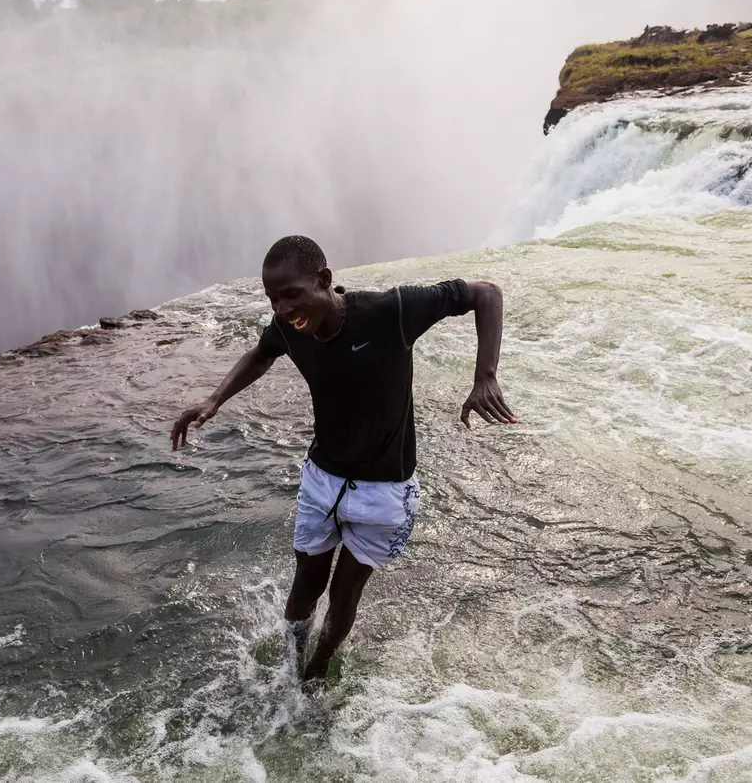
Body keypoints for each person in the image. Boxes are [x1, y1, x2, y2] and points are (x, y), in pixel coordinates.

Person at [170, 235, 516, 683]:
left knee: (343, 593)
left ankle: (317, 671)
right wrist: (215, 400)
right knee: (305, 585)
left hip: (385, 491)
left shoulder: (391, 311)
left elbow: (485, 293)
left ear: (325, 281)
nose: (282, 308)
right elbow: (260, 354)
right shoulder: (288, 329)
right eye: (273, 298)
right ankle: (290, 670)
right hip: (322, 482)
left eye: (292, 293)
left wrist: (485, 375)